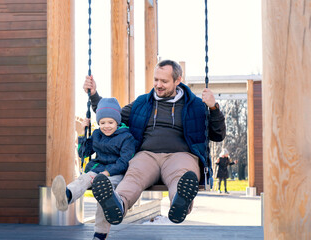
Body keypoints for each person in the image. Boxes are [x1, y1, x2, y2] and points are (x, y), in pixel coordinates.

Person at [84, 59, 226, 226]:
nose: (158, 85)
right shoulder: (142, 103)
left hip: (180, 155)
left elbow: (218, 135)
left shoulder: (195, 105)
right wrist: (93, 95)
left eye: (164, 81)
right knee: (133, 176)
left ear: (177, 80)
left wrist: (214, 108)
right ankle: (118, 204)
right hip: (146, 155)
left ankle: (179, 204)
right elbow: (112, 116)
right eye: (156, 80)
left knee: (181, 177)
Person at [51, 97, 137, 240]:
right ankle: (66, 196)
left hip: (116, 173)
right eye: (102, 123)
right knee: (83, 179)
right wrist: (84, 133)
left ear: (117, 121)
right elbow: (83, 153)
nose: (106, 126)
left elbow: (125, 161)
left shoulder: (126, 137)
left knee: (104, 196)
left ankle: (100, 233)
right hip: (97, 170)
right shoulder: (97, 134)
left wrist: (107, 172)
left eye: (110, 122)